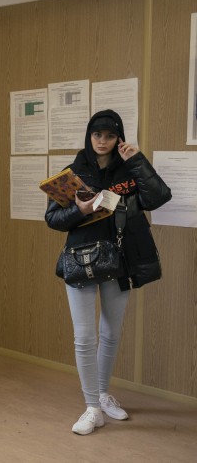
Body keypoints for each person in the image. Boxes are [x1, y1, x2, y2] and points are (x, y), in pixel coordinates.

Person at [45, 109, 171, 436]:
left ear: (119, 138)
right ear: (89, 136)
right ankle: (91, 408)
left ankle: (102, 395)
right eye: (97, 135)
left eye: (109, 135)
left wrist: (139, 160)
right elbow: (53, 220)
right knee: (85, 337)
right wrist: (79, 209)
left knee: (111, 333)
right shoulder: (72, 172)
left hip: (120, 260)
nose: (102, 141)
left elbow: (158, 197)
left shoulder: (130, 168)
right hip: (82, 259)